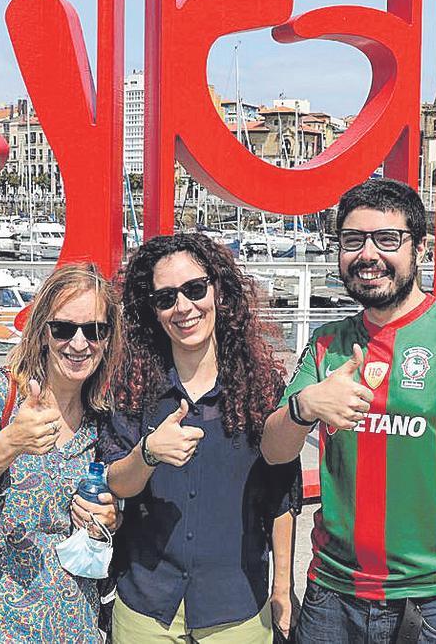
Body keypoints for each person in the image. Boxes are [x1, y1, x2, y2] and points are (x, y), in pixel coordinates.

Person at [261, 178, 436, 643]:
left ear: (421, 249)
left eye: (387, 239)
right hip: (333, 594)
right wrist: (305, 406)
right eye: (353, 240)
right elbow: (274, 452)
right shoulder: (326, 343)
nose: (367, 255)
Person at [102, 233, 302, 642]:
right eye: (166, 298)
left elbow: (281, 497)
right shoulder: (133, 389)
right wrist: (149, 453)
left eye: (195, 289)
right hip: (147, 604)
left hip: (237, 606)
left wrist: (282, 587)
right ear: (152, 311)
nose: (184, 308)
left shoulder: (261, 388)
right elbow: (116, 482)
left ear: (218, 291)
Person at [0, 263, 123, 642]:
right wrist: (9, 443)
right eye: (64, 329)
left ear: (108, 337)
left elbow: (115, 531)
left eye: (94, 330)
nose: (79, 344)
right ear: (43, 332)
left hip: (67, 625)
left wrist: (110, 520)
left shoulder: (105, 421)